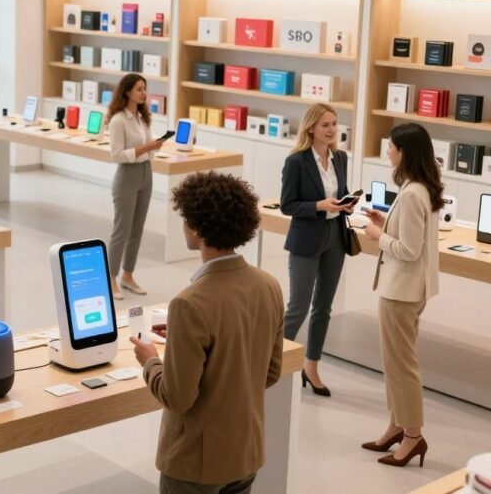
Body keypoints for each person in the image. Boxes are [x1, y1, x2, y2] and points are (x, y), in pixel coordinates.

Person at [131, 172, 284, 494]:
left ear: (198, 229)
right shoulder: (268, 285)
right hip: (245, 453)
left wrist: (150, 361)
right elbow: (269, 373)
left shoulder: (190, 304)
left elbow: (177, 397)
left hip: (196, 463)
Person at [361, 122, 442, 467]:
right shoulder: (419, 187)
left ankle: (412, 435)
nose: (388, 151)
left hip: (402, 292)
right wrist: (385, 222)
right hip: (409, 289)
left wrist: (377, 235)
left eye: (392, 146)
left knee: (401, 366)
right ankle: (397, 425)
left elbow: (408, 250)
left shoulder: (411, 194)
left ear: (405, 151)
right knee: (395, 364)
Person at [279, 103, 355, 397]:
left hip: (335, 236)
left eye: (335, 124)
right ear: (311, 127)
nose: (332, 130)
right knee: (297, 307)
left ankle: (312, 367)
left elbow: (339, 192)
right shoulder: (296, 161)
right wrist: (319, 206)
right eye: (326, 125)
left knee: (323, 308)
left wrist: (346, 203)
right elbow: (288, 205)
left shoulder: (340, 158)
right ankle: (278, 365)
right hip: (306, 238)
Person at [106, 73, 164, 299]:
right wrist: (145, 147)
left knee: (137, 229)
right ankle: (111, 277)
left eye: (145, 89)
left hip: (145, 173)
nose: (144, 93)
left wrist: (154, 146)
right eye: (139, 89)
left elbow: (145, 149)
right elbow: (117, 155)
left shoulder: (142, 118)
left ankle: (128, 276)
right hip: (127, 176)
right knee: (122, 230)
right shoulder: (118, 120)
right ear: (128, 91)